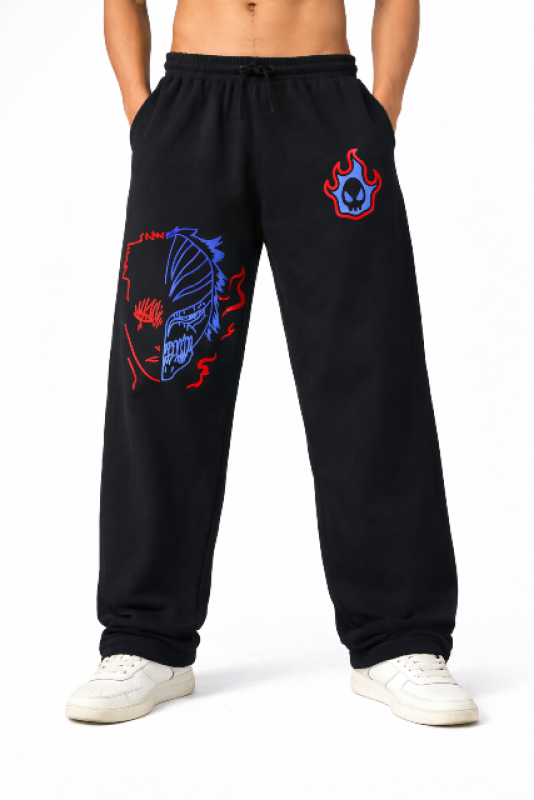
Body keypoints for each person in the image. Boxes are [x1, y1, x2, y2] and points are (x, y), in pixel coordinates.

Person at [66, 0, 478, 726]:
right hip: (190, 105)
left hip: (327, 106)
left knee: (370, 370)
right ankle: (145, 640)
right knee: (160, 375)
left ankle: (400, 639)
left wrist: (380, 113)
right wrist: (142, 112)